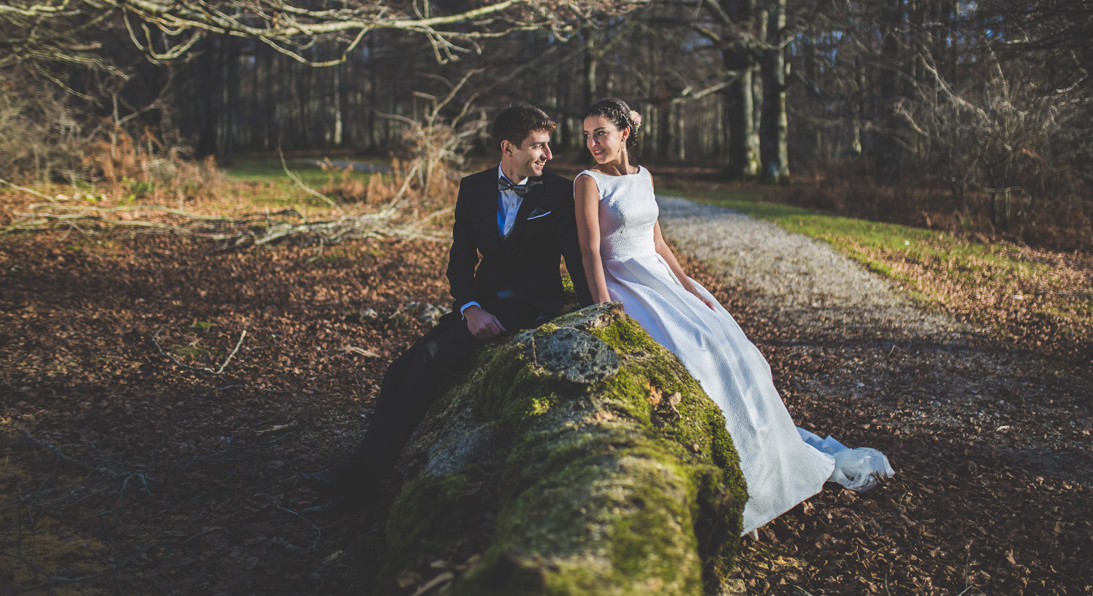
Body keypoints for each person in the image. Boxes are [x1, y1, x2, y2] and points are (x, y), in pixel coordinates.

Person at [573, 98, 892, 535]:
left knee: (732, 349)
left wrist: (690, 288)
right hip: (627, 282)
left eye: (601, 133)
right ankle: (726, 470)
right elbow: (590, 250)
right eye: (587, 135)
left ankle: (763, 459)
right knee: (693, 356)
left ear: (624, 134)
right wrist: (606, 306)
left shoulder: (643, 176)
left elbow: (660, 243)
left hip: (662, 277)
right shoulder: (588, 182)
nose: (592, 143)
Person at [302, 104, 593, 516]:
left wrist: (594, 310)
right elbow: (460, 261)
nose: (548, 154)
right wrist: (470, 306)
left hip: (528, 308)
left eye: (548, 145)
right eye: (537, 146)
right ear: (507, 148)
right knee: (398, 369)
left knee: (431, 359)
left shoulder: (559, 192)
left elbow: (578, 257)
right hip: (483, 304)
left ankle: (357, 491)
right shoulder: (473, 189)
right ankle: (355, 471)